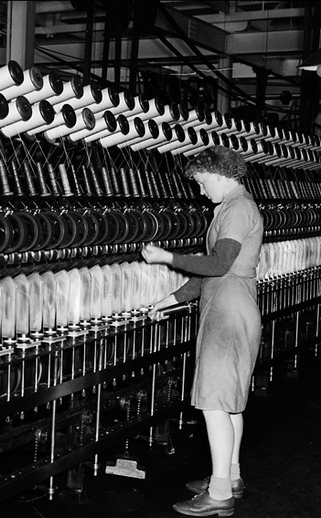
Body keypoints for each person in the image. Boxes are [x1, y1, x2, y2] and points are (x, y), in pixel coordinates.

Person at [142, 145, 263, 517]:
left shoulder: (237, 209)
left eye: (201, 181)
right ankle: (230, 476)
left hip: (228, 313)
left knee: (214, 403)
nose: (200, 189)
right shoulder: (231, 207)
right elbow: (212, 271)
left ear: (220, 174)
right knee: (229, 402)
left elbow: (219, 263)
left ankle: (220, 494)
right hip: (231, 305)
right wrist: (170, 300)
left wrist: (167, 257)